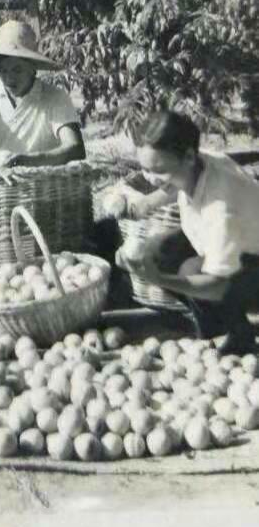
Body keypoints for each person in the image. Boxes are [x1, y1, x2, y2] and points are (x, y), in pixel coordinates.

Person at [108, 109, 259, 354]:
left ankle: (233, 338)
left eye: (159, 171)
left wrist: (159, 279)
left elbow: (216, 285)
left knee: (188, 270)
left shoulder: (221, 208)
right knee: (155, 252)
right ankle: (222, 329)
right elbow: (172, 184)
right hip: (234, 247)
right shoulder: (199, 162)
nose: (151, 178)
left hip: (252, 265)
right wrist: (144, 204)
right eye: (146, 169)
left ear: (188, 156)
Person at [0, 20, 85, 170]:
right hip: (2, 184)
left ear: (33, 68)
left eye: (17, 70)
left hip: (47, 184)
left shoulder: (54, 97)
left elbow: (75, 148)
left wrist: (29, 161)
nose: (9, 78)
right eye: (2, 70)